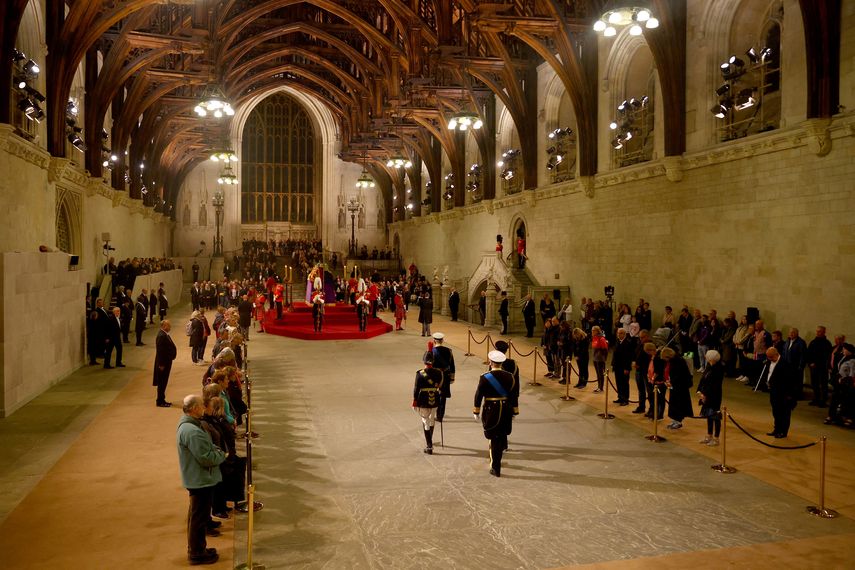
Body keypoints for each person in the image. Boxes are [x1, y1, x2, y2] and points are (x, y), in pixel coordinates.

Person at [177, 394, 226, 566]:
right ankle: (197, 554)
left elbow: (207, 447)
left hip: (197, 477)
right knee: (199, 518)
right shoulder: (191, 431)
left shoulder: (190, 425)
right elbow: (206, 457)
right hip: (200, 478)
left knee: (197, 515)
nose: (204, 408)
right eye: (201, 406)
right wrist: (221, 455)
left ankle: (199, 548)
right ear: (193, 409)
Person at [473, 350, 519, 477]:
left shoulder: (485, 377)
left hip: (490, 411)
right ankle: (497, 461)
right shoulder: (510, 376)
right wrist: (515, 411)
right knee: (501, 435)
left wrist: (476, 410)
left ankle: (495, 467)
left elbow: (478, 395)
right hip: (505, 410)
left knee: (493, 438)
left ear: (491, 362)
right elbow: (513, 395)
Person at [761, 347, 798, 438]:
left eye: (770, 357)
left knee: (784, 413)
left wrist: (790, 395)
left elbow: (791, 381)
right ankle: (777, 429)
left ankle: (783, 432)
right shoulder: (769, 362)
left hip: (784, 394)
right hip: (774, 392)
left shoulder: (786, 364)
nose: (769, 359)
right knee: (776, 412)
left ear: (776, 355)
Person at [412, 352, 444, 454]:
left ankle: (429, 446)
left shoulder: (420, 373)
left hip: (423, 399)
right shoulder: (439, 373)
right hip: (435, 399)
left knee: (425, 421)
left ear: (423, 361)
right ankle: (430, 439)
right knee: (432, 420)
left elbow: (416, 388)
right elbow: (440, 386)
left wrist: (414, 401)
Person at [697, 350, 725, 446]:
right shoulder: (709, 366)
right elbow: (703, 379)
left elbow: (714, 385)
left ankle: (716, 438)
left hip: (714, 396)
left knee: (715, 417)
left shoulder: (719, 369)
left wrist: (705, 394)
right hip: (706, 394)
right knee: (708, 416)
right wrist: (700, 391)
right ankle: (709, 436)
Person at [662, 347, 693, 429]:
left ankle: (678, 421)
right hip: (674, 386)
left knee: (679, 404)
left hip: (680, 387)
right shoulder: (672, 361)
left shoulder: (679, 361)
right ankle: (674, 420)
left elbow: (680, 375)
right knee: (673, 404)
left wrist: (671, 382)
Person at [431, 333, 455, 422]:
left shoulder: (432, 351)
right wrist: (452, 377)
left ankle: (434, 413)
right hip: (445, 375)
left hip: (435, 375)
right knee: (443, 395)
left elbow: (429, 365)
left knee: (434, 394)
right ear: (442, 340)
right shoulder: (449, 350)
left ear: (434, 341)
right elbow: (452, 365)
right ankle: (440, 415)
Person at [806, 326, 833, 406]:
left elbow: (826, 356)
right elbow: (808, 354)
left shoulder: (827, 343)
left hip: (822, 368)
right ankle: (816, 399)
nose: (817, 333)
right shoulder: (813, 342)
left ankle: (823, 400)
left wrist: (816, 363)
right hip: (813, 367)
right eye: (817, 331)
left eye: (820, 331)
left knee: (823, 384)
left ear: (824, 332)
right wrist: (810, 362)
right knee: (814, 384)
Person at [154, 320, 177, 407]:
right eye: (168, 325)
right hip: (163, 364)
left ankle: (162, 399)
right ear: (164, 326)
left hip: (166, 362)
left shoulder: (164, 334)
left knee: (164, 381)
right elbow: (160, 352)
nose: (170, 327)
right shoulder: (161, 336)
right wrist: (161, 364)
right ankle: (160, 401)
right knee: (162, 382)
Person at [611, 328, 634, 405]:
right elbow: (614, 354)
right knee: (618, 383)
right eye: (618, 333)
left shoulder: (628, 343)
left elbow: (628, 357)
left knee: (624, 383)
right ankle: (620, 397)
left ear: (624, 334)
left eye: (620, 333)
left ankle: (625, 399)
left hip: (624, 367)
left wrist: (627, 368)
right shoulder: (617, 341)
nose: (618, 334)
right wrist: (613, 365)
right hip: (617, 366)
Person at [591, 325, 609, 393]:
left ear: (597, 331)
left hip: (600, 359)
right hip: (595, 358)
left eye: (593, 330)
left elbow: (605, 350)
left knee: (600, 373)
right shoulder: (594, 338)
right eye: (592, 330)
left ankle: (601, 388)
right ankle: (599, 387)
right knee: (598, 373)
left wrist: (604, 358)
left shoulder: (601, 338)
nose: (592, 332)